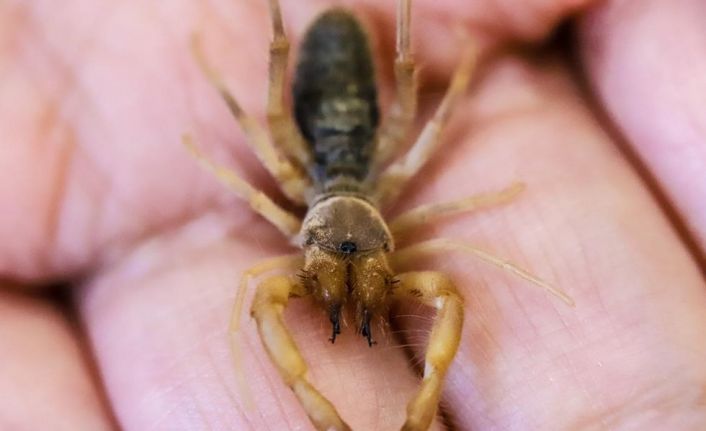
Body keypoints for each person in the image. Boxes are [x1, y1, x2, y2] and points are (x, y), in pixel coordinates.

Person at [1, 0, 704, 429]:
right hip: (342, 137)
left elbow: (429, 136)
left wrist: (457, 74)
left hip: (343, 141)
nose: (345, 272)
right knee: (311, 80)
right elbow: (250, 171)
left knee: (402, 83)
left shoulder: (361, 192)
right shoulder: (305, 195)